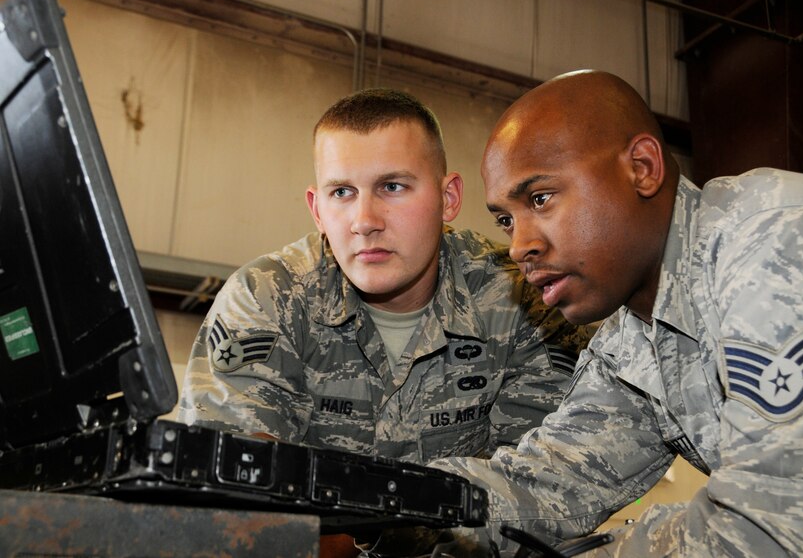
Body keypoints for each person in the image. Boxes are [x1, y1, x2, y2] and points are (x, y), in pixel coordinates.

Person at [427, 70, 803, 556]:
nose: (519, 246)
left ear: (643, 168)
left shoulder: (780, 247)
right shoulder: (632, 340)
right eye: (506, 220)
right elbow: (552, 484)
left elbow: (778, 532)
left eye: (540, 198)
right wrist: (402, 502)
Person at [177, 88, 593, 466]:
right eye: (342, 192)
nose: (364, 222)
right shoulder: (267, 297)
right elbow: (228, 473)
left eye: (392, 187)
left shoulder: (522, 298)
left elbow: (543, 478)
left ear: (448, 198)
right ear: (317, 210)